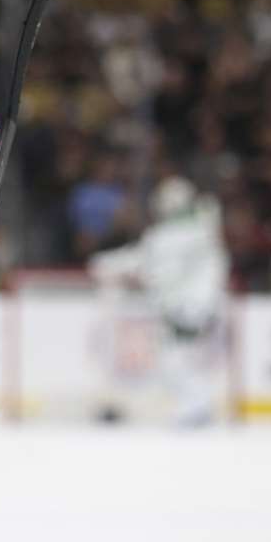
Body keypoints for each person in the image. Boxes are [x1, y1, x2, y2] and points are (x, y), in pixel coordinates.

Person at [88, 176, 230, 425]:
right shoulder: (201, 230)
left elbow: (145, 262)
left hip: (185, 307)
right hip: (198, 306)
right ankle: (196, 404)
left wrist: (105, 264)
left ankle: (198, 405)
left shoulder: (172, 235)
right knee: (173, 359)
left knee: (172, 361)